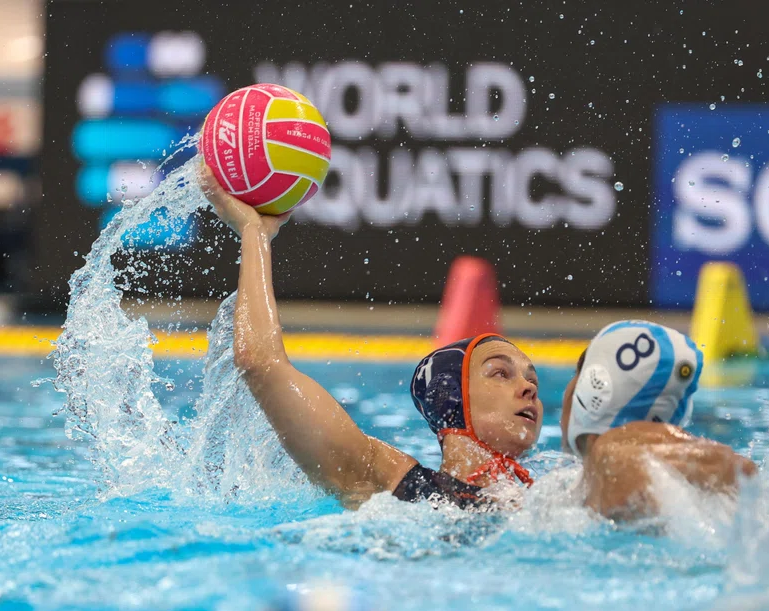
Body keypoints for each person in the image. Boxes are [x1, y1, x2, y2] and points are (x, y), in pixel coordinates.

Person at [199, 164, 542, 510]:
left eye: (533, 382)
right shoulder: (389, 484)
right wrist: (254, 233)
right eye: (500, 373)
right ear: (451, 397)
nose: (529, 389)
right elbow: (261, 364)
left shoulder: (549, 502)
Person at [560, 321, 757, 520]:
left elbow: (741, 470)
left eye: (576, 373)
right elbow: (745, 474)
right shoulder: (574, 485)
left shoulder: (611, 456)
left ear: (591, 388)